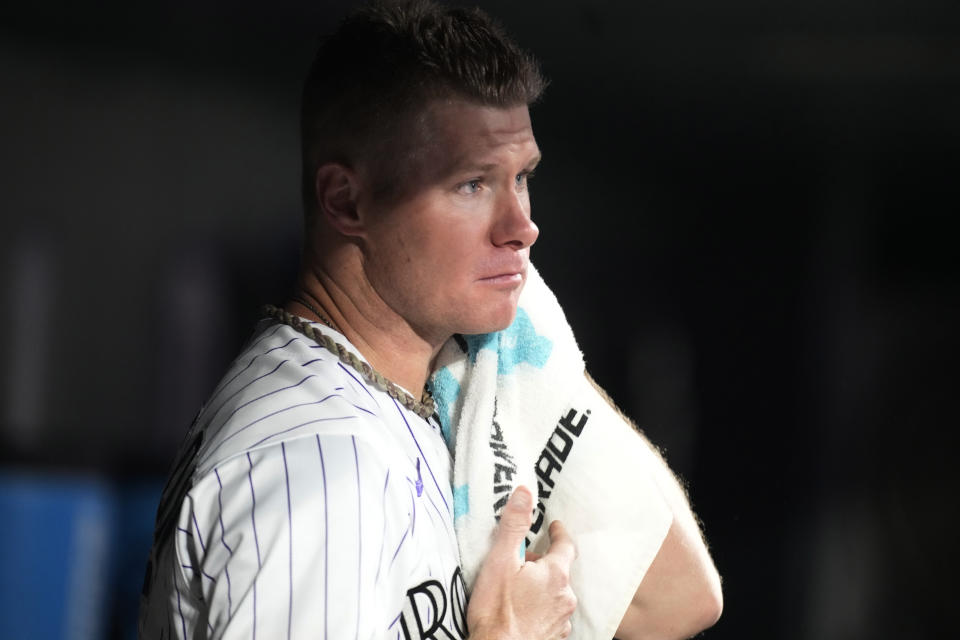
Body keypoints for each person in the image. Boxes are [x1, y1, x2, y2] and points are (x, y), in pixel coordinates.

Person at [139, 2, 722, 639]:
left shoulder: (433, 392)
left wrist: (545, 357)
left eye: (521, 177)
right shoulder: (320, 465)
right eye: (471, 184)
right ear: (346, 201)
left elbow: (678, 602)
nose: (521, 226)